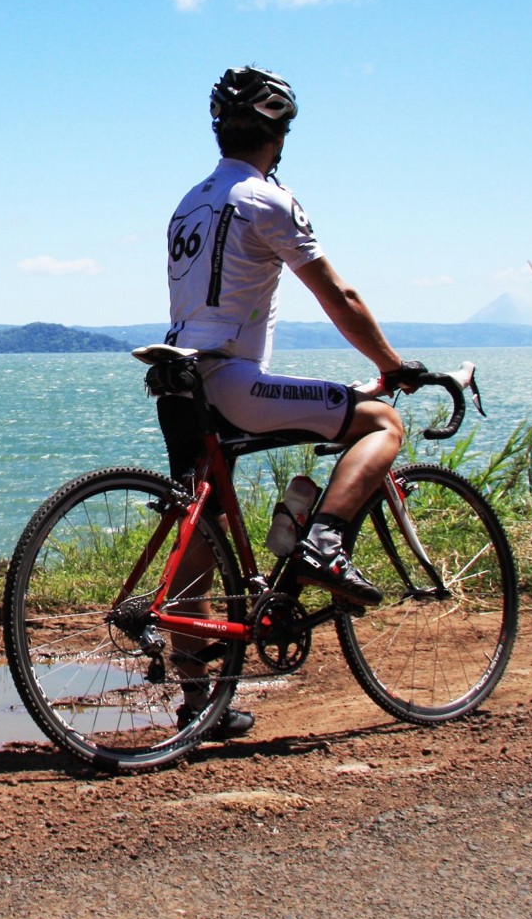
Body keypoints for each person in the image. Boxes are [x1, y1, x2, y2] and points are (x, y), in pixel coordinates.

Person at [163, 65, 413, 737]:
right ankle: (323, 545)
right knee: (381, 421)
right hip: (235, 382)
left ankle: (197, 703)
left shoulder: (189, 201)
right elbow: (338, 296)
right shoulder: (267, 199)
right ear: (279, 133)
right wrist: (390, 365)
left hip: (178, 380)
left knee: (202, 525)